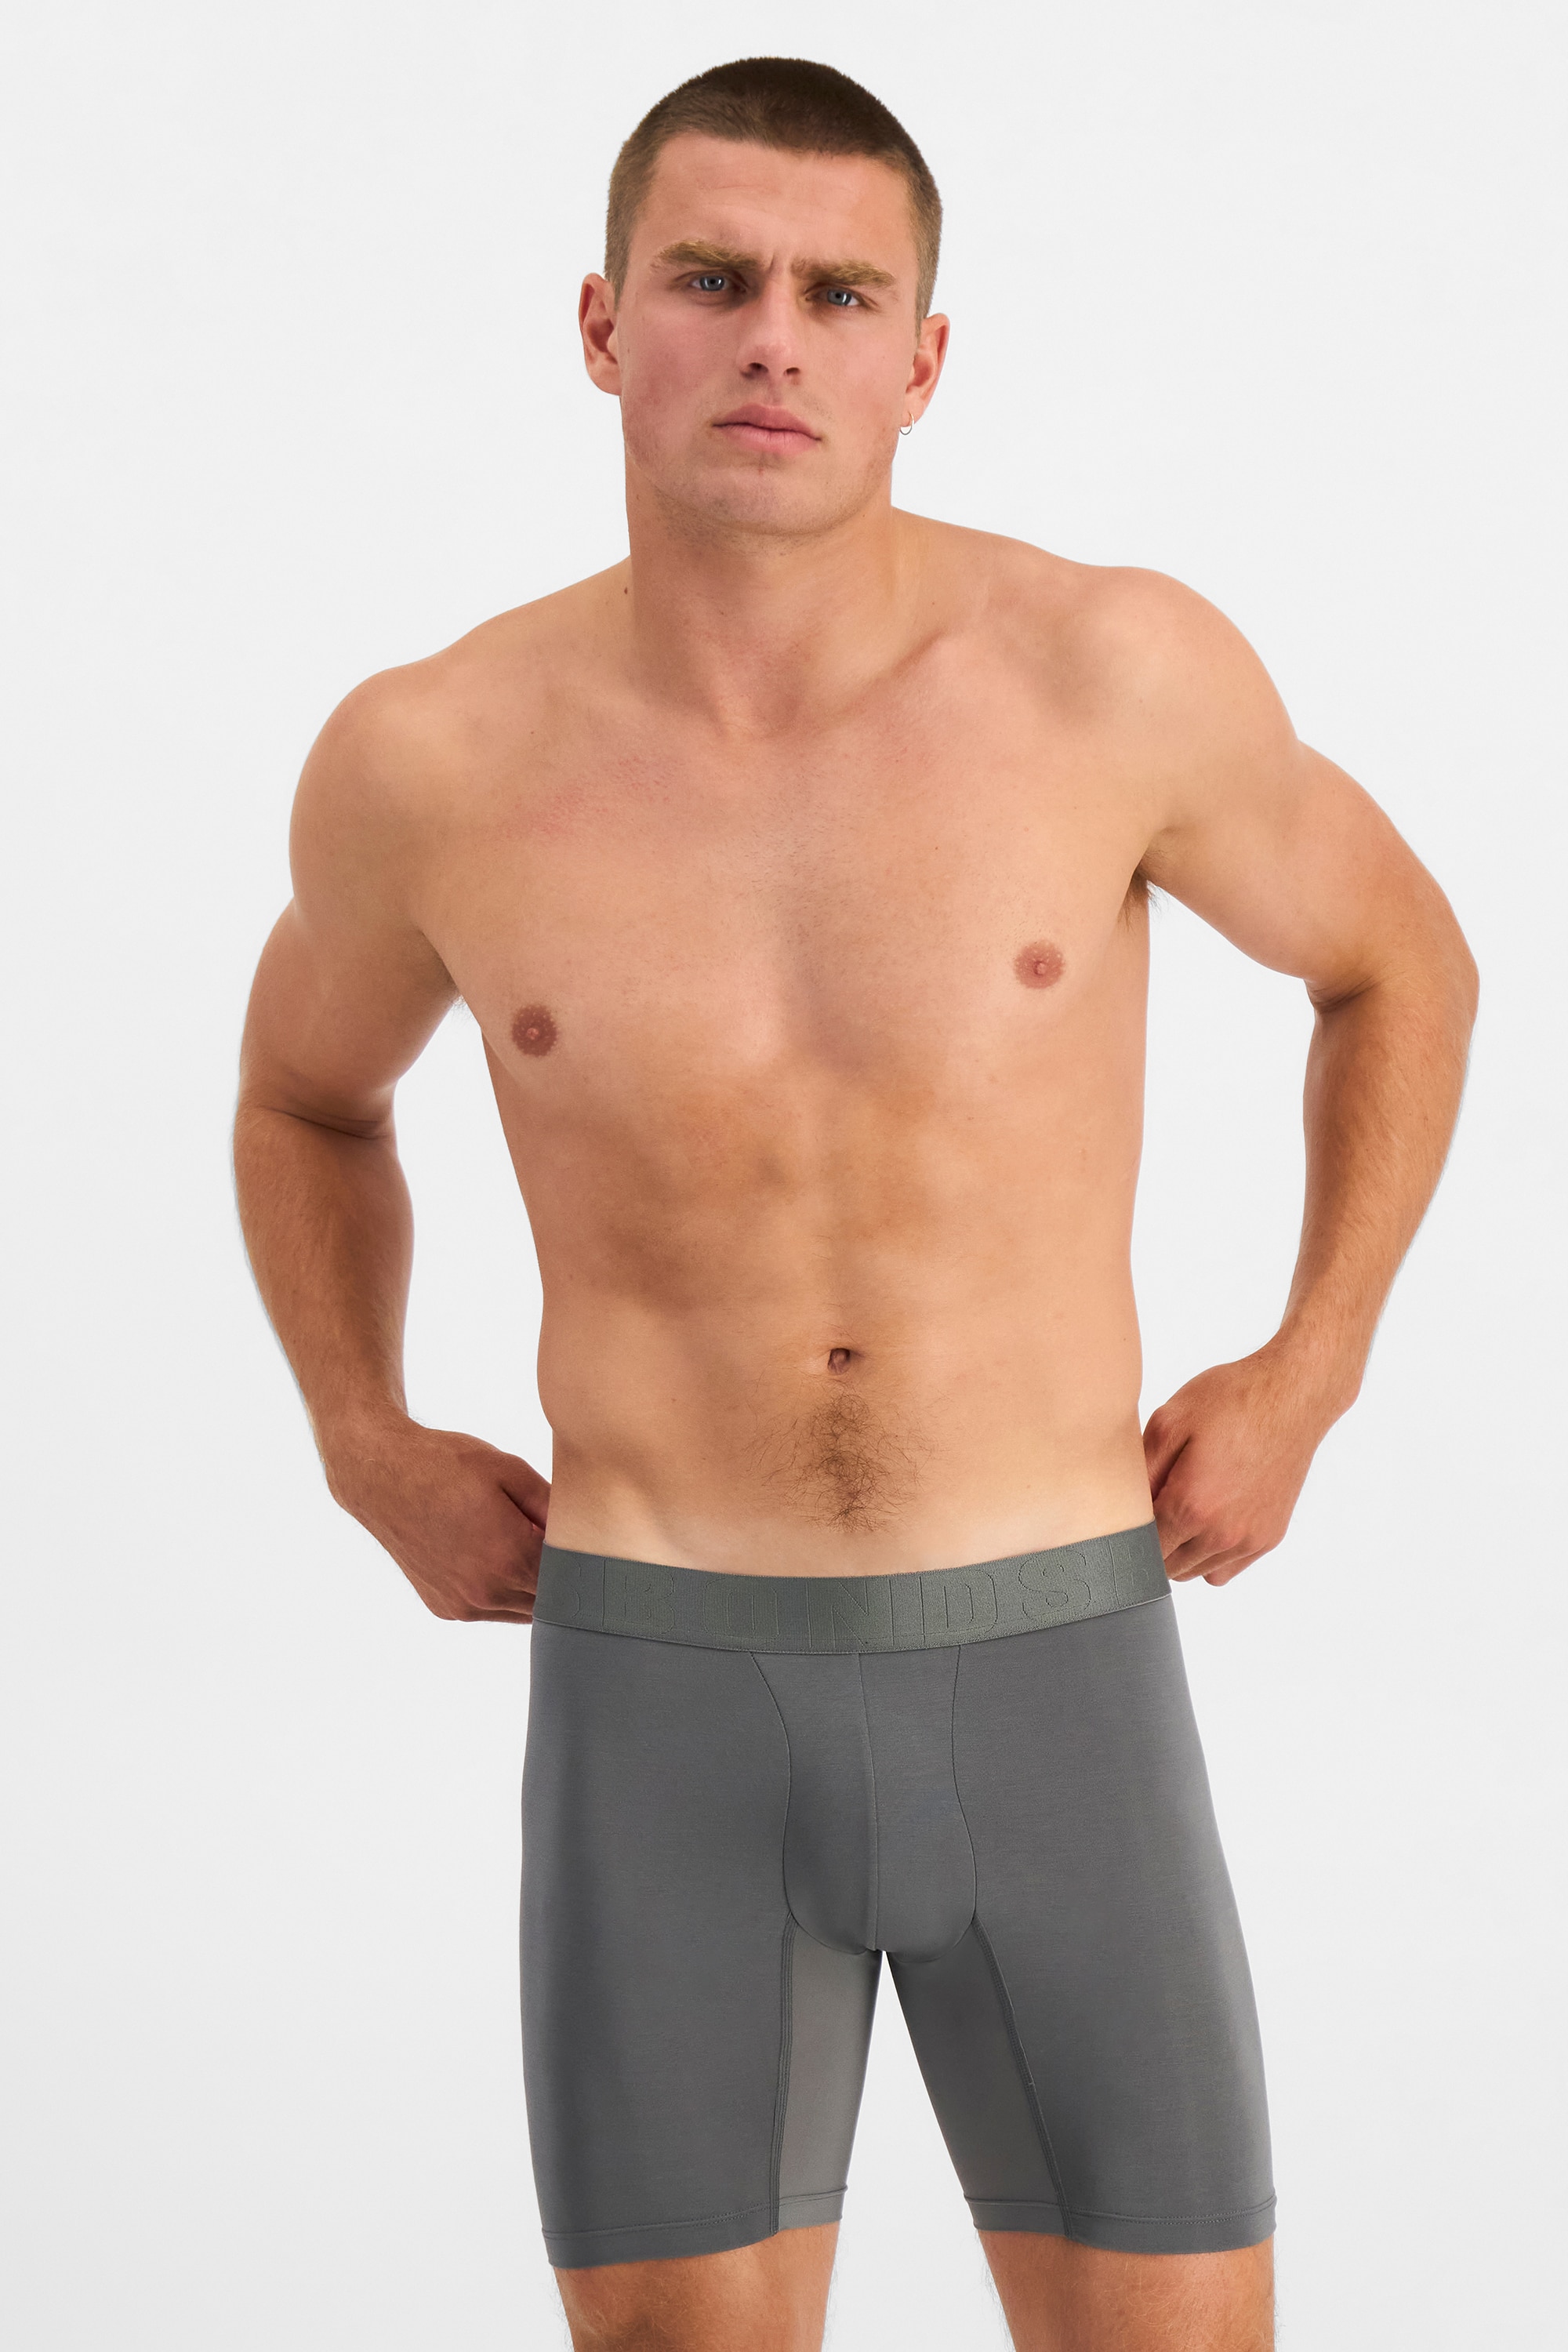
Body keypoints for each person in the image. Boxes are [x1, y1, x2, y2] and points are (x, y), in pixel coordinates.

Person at [234, 55, 1477, 2352]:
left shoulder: (1114, 676)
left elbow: (1401, 962)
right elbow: (307, 1100)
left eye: (838, 294)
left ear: (925, 358)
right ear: (604, 325)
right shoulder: (432, 760)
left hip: (1058, 1655)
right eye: (712, 280)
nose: (773, 340)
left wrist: (1310, 1372)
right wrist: (357, 1432)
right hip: (658, 1685)